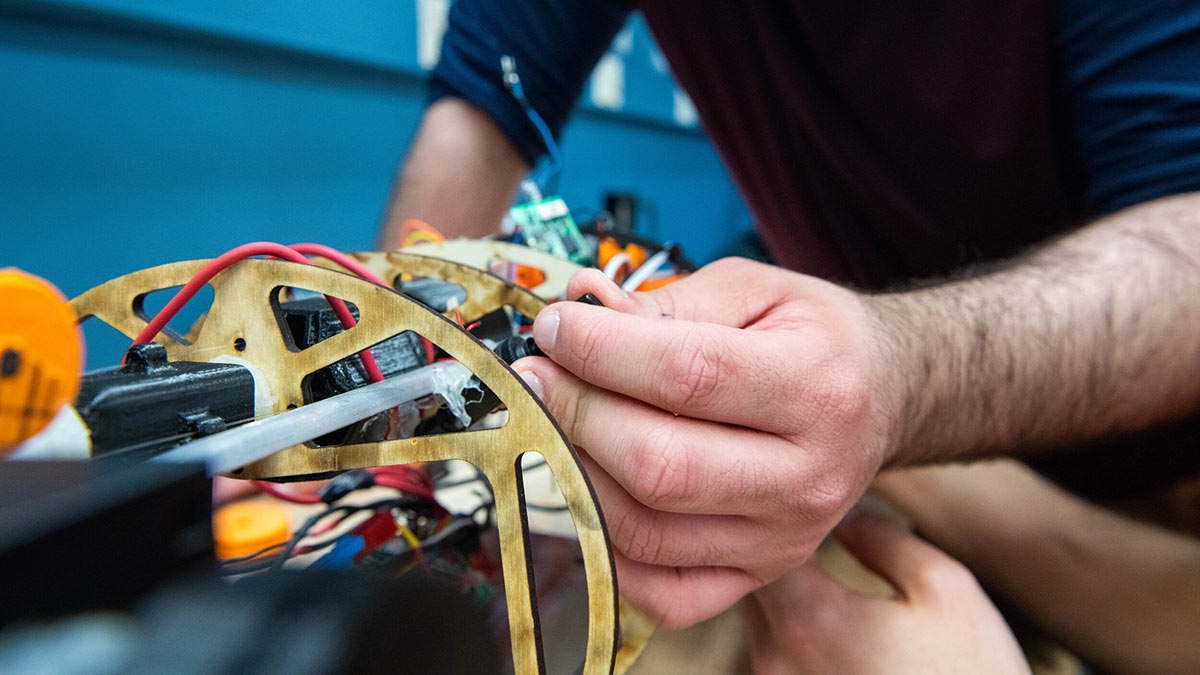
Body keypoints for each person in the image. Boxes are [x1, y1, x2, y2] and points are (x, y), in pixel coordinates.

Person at [379, 0, 1200, 630]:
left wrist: (900, 375)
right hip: (851, 447)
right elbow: (477, 119)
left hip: (1147, 489)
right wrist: (381, 440)